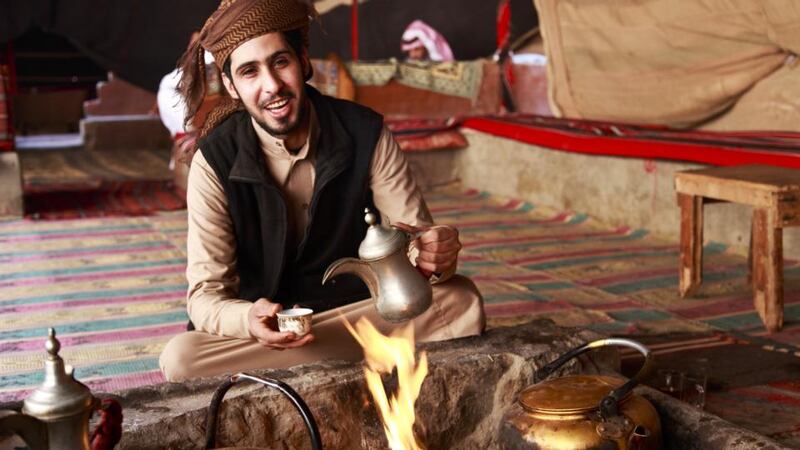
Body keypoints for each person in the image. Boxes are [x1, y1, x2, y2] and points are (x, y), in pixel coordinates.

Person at [158, 0, 484, 381]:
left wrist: (433, 256)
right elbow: (205, 298)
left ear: (303, 60)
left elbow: (415, 245)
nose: (272, 86)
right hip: (271, 337)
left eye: (281, 62)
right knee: (181, 359)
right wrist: (248, 319)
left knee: (459, 301)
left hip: (358, 313)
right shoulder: (214, 161)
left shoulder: (365, 133)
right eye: (249, 72)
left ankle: (303, 368)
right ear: (231, 85)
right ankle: (351, 362)